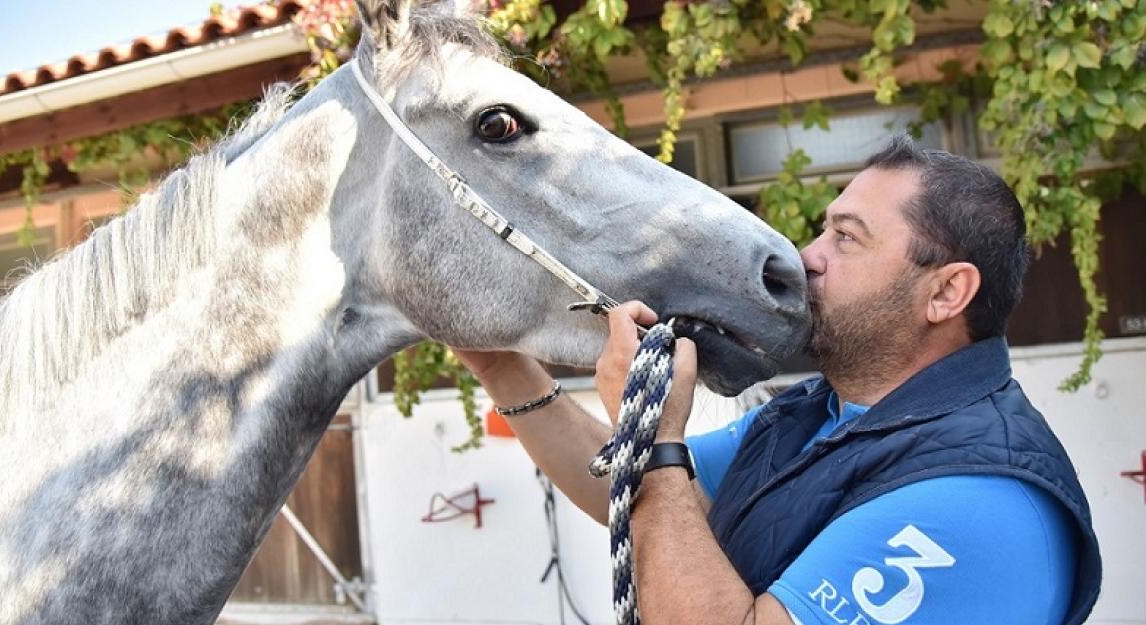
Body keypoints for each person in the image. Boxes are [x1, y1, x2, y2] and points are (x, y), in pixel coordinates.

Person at [453, 135, 1101, 625]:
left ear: (947, 292)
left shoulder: (981, 500)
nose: (807, 256)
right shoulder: (822, 412)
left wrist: (652, 444)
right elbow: (628, 492)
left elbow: (656, 482)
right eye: (823, 229)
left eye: (846, 239)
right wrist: (501, 365)